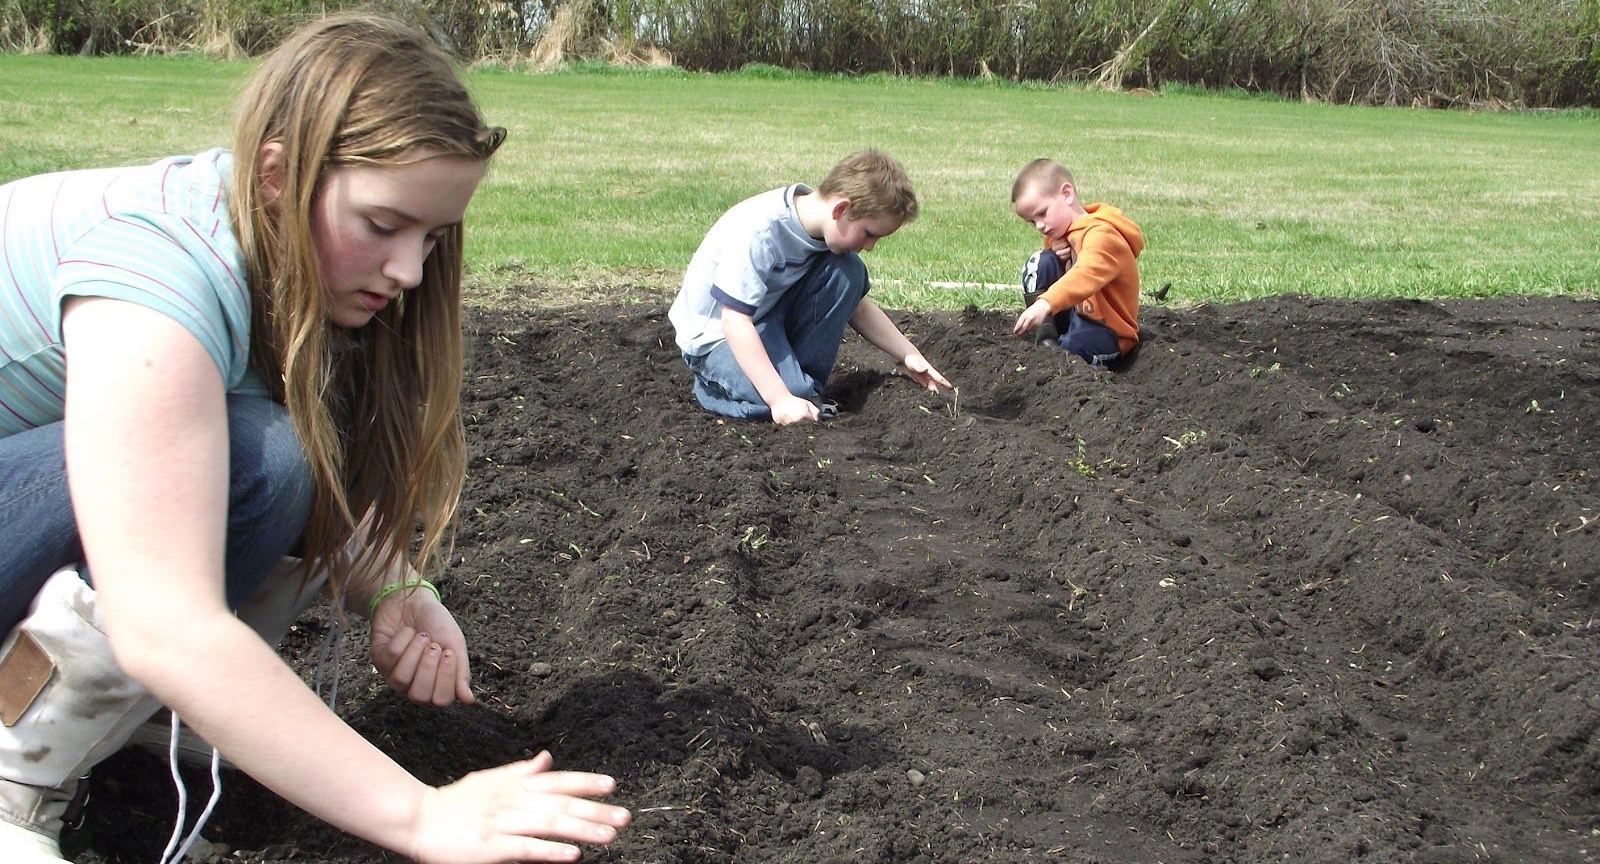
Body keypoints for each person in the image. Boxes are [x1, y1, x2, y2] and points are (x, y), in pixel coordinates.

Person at [0, 13, 630, 864]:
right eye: (382, 225)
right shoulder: (154, 275)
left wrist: (391, 587)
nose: (409, 271)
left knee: (275, 452)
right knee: (259, 457)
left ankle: (142, 737)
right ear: (276, 175)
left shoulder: (289, 260)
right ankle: (13, 777)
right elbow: (163, 617)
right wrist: (421, 816)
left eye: (433, 237)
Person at [669, 149, 954, 425]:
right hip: (715, 337)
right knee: (785, 399)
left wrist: (909, 355)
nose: (870, 246)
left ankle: (801, 389)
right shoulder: (762, 231)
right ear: (842, 209)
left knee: (849, 271)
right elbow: (734, 321)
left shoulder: (821, 231)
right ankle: (712, 389)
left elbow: (859, 308)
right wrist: (779, 399)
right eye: (869, 234)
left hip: (767, 320)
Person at [1009, 158, 1145, 367]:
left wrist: (1045, 303)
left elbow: (1086, 273)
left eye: (1043, 213)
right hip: (1076, 315)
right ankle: (1047, 338)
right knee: (1040, 262)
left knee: (1073, 350)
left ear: (1067, 194)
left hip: (1107, 332)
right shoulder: (1064, 234)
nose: (1040, 226)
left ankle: (1061, 354)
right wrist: (1055, 251)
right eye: (1032, 221)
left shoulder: (1103, 235)